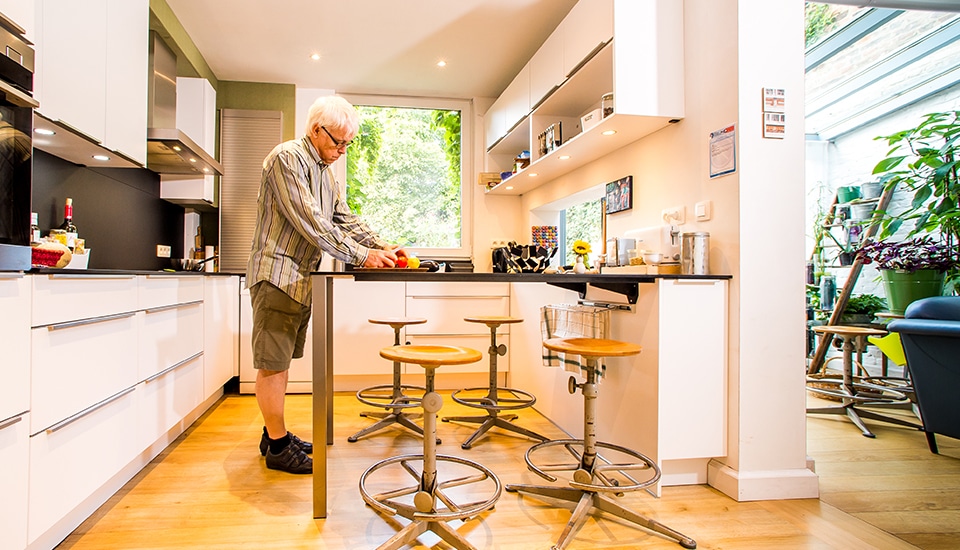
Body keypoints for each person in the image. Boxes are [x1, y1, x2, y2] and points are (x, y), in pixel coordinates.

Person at [246, 95, 407, 474]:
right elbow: (313, 222)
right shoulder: (287, 158)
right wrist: (360, 255)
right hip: (277, 274)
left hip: (299, 278)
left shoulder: (324, 170)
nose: (341, 150)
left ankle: (274, 436)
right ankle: (279, 447)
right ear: (316, 130)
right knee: (273, 366)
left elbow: (341, 217)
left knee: (281, 363)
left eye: (347, 144)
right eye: (337, 142)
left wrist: (379, 245)